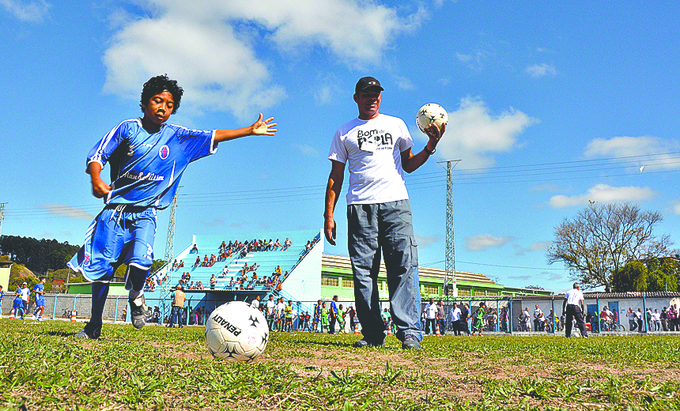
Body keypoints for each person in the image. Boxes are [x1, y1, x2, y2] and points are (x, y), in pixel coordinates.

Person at [67, 74, 276, 339]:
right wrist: (96, 179)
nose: (162, 107)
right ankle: (93, 325)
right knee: (103, 271)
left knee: (142, 261)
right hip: (113, 213)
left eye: (169, 104)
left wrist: (248, 130)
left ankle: (136, 295)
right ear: (144, 103)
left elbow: (213, 135)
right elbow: (98, 155)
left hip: (145, 214)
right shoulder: (127, 128)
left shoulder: (177, 138)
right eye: (157, 101)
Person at [324, 76, 444, 350]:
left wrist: (430, 146)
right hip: (359, 207)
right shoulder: (344, 132)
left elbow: (409, 165)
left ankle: (410, 332)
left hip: (396, 205)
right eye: (366, 94)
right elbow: (335, 177)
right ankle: (373, 333)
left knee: (402, 267)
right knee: (363, 273)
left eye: (376, 94)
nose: (372, 98)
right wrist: (328, 215)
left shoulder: (397, 125)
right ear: (356, 98)